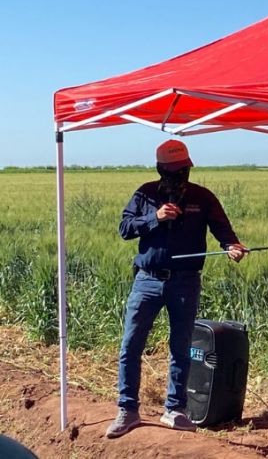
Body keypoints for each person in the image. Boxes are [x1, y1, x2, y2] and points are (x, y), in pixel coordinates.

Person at [106, 139, 247, 438]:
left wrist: (231, 246)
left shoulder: (203, 197)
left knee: (180, 347)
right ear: (160, 170)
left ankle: (174, 409)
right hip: (147, 279)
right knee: (131, 345)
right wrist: (154, 219)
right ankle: (127, 409)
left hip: (185, 281)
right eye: (172, 171)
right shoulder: (145, 194)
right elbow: (124, 229)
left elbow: (222, 229)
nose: (178, 177)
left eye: (183, 170)